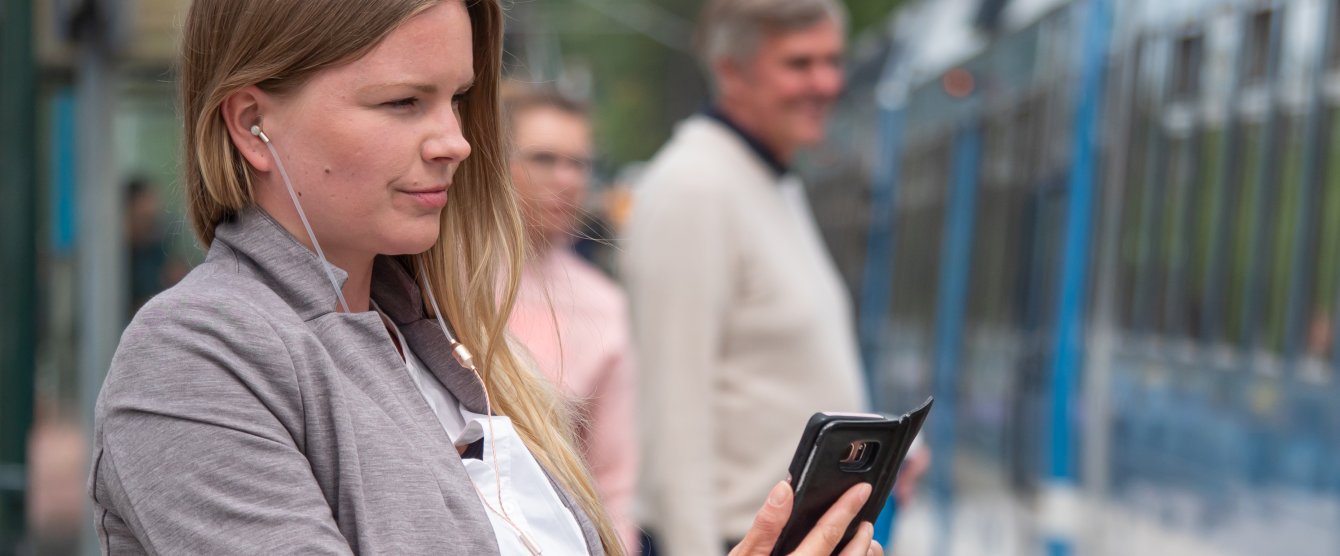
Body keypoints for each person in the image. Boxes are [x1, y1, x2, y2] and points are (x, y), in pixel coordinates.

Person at [88, 1, 882, 555]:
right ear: (249, 124)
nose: (455, 142)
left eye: (459, 100)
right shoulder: (195, 360)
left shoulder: (443, 342)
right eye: (402, 103)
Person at [623, 1, 874, 554]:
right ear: (731, 71)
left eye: (833, 60)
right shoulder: (695, 189)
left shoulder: (767, 178)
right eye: (799, 64)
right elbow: (673, 415)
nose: (827, 82)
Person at [502, 86, 640, 552]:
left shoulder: (605, 305)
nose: (565, 179)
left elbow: (615, 482)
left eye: (579, 163)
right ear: (493, 161)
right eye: (543, 159)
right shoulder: (432, 277)